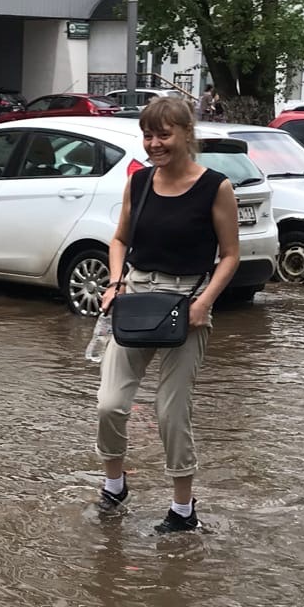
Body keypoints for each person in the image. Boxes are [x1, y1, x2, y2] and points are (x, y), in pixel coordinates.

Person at [95, 96, 240, 533]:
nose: (154, 143)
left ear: (186, 135)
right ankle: (115, 484)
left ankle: (182, 509)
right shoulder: (138, 183)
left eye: (164, 134)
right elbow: (119, 239)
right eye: (148, 134)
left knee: (170, 412)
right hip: (136, 297)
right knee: (110, 404)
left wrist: (204, 303)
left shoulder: (216, 187)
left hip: (187, 304)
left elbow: (231, 255)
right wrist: (115, 281)